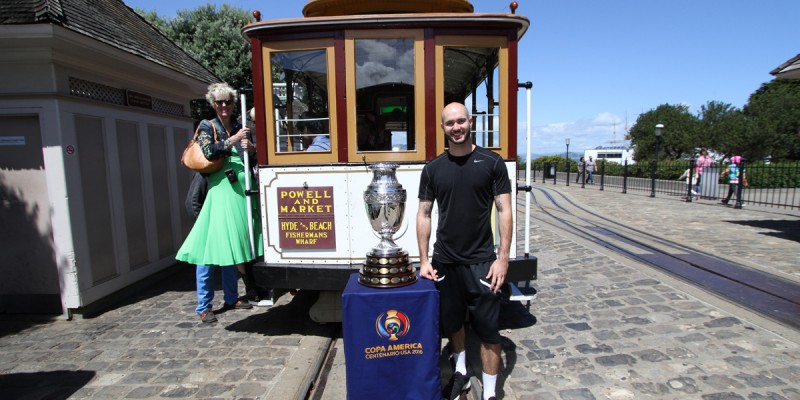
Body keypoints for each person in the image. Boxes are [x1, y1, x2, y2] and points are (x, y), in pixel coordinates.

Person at [417, 102, 512, 400]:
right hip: (445, 262)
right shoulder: (433, 169)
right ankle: (461, 374)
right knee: (453, 324)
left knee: (488, 332)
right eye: (450, 123)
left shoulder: (491, 162)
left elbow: (505, 210)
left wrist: (503, 258)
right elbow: (424, 213)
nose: (456, 127)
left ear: (470, 122)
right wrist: (423, 260)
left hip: (482, 263)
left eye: (461, 121)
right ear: (443, 127)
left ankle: (491, 393)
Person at [176, 83, 265, 323]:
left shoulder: (238, 126)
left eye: (228, 101)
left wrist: (251, 147)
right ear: (213, 104)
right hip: (220, 192)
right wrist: (234, 139)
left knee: (232, 249)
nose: (224, 106)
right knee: (208, 252)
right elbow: (209, 151)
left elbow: (252, 157)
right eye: (219, 102)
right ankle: (204, 306)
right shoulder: (208, 125)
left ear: (234, 103)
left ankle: (232, 297)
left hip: (239, 194)